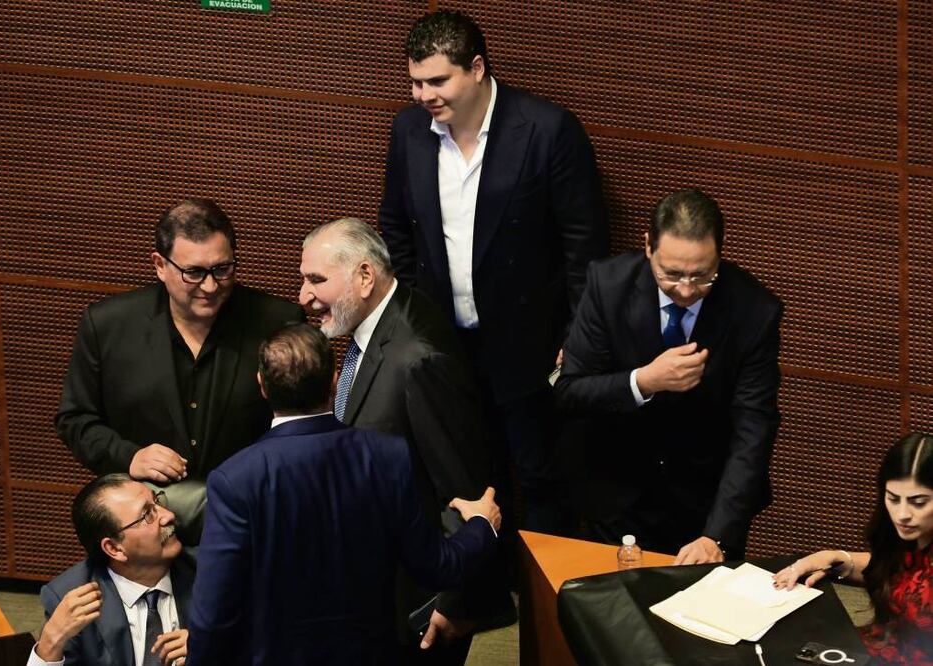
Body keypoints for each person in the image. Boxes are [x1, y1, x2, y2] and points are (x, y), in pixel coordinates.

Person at [379, 10, 609, 534]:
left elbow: (585, 250)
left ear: (477, 68)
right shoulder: (409, 130)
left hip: (532, 344)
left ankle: (545, 605)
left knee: (539, 476)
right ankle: (481, 596)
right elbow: (396, 226)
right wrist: (414, 312)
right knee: (465, 477)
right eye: (415, 82)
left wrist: (577, 339)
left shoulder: (548, 130)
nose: (423, 95)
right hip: (443, 343)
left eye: (438, 80)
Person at [186, 323, 501, 665]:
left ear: (261, 386)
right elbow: (436, 567)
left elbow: (212, 615)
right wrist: (483, 525)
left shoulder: (234, 480)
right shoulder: (387, 457)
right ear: (335, 380)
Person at [299, 218, 508, 664]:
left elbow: (467, 488)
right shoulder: (379, 325)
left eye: (316, 280)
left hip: (419, 602)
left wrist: (457, 601)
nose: (304, 296)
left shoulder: (418, 359)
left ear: (364, 276)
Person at [555, 189, 782, 563]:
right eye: (672, 274)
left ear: (720, 254)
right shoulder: (607, 286)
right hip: (616, 492)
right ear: (648, 247)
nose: (687, 290)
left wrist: (717, 535)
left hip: (705, 501)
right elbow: (569, 391)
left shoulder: (754, 311)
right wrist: (643, 381)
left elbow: (753, 430)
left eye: (702, 275)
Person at [56, 199, 303, 542]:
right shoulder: (108, 325)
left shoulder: (278, 322)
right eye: (194, 273)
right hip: (145, 529)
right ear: (159, 264)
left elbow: (301, 426)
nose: (211, 286)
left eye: (223, 269)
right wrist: (130, 456)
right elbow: (76, 419)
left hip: (249, 521)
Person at [774, 432, 933, 664]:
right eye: (893, 498)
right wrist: (837, 559)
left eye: (918, 502)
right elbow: (898, 572)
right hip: (883, 648)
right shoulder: (915, 535)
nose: (903, 514)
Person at [30, 474, 194, 666]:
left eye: (157, 501)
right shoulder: (71, 597)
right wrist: (50, 642)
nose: (168, 515)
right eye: (147, 514)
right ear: (115, 549)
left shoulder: (210, 572)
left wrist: (215, 649)